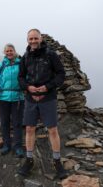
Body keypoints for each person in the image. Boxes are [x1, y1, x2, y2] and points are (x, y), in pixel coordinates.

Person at [17, 29, 68, 179]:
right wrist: (27, 87)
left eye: (35, 38)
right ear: (27, 40)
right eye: (30, 39)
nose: (33, 41)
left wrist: (47, 87)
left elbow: (61, 74)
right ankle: (29, 159)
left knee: (52, 130)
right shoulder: (25, 57)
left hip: (48, 97)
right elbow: (20, 77)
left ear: (41, 39)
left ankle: (57, 161)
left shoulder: (51, 55)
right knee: (29, 129)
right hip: (31, 98)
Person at [0, 43, 25, 157]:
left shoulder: (21, 64)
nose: (9, 52)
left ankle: (18, 146)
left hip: (18, 97)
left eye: (11, 50)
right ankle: (6, 145)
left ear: (14, 51)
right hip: (3, 98)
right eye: (7, 51)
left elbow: (26, 78)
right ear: (4, 53)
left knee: (17, 123)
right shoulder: (0, 66)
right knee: (5, 122)